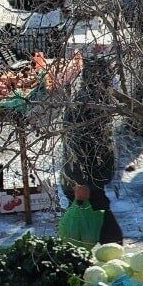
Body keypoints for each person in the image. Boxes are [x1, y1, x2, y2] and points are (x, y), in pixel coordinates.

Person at [60, 56, 123, 244]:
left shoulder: (97, 101)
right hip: (84, 181)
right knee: (109, 234)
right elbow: (73, 145)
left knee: (90, 228)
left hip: (91, 179)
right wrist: (80, 182)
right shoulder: (85, 106)